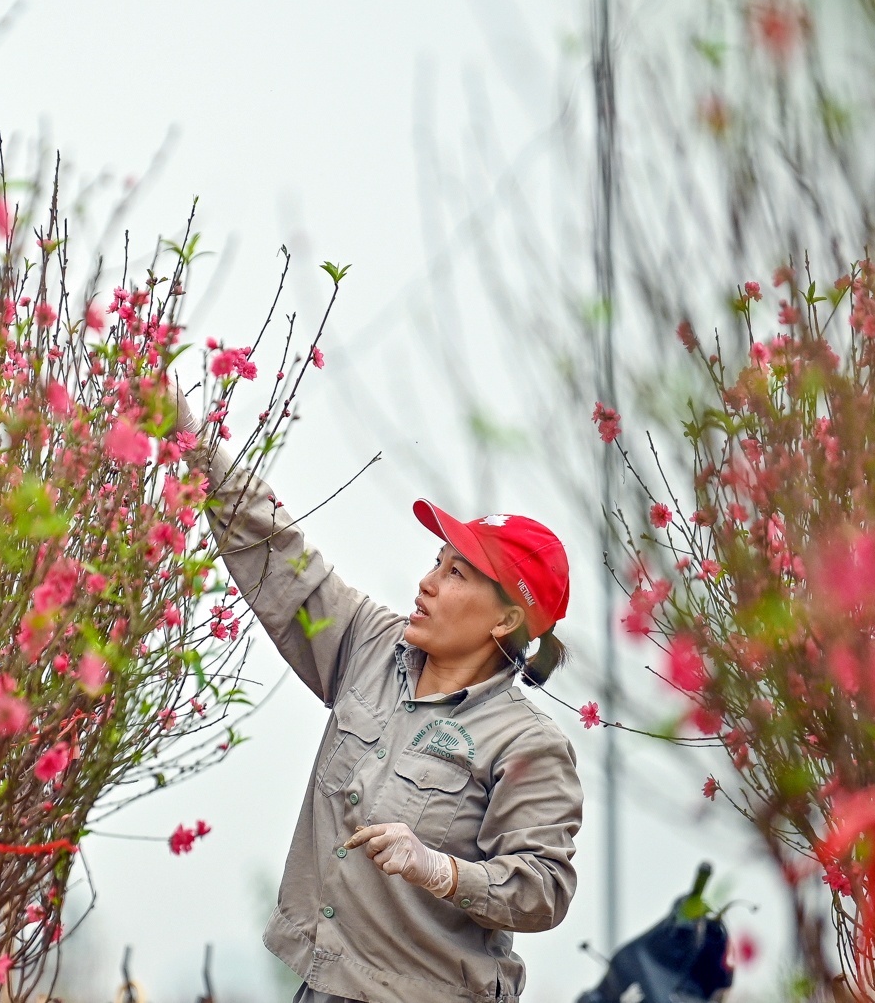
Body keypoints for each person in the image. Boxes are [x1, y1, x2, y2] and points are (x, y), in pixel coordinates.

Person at [187, 400, 583, 1003]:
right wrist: (188, 441)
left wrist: (442, 871)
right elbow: (277, 551)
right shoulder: (370, 645)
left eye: (457, 574)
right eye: (437, 562)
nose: (427, 581)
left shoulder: (527, 744)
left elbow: (544, 889)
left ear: (507, 618)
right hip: (324, 986)